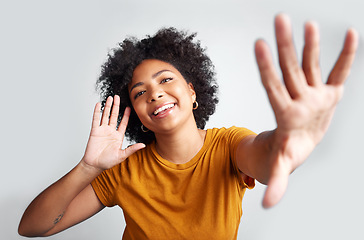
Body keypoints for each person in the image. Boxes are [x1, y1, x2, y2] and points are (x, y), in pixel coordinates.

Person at [18, 14, 358, 239]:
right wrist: (88, 167)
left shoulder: (228, 146)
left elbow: (266, 159)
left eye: (166, 79)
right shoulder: (123, 169)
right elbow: (32, 227)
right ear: (136, 112)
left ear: (192, 91)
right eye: (140, 92)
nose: (155, 94)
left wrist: (288, 140)